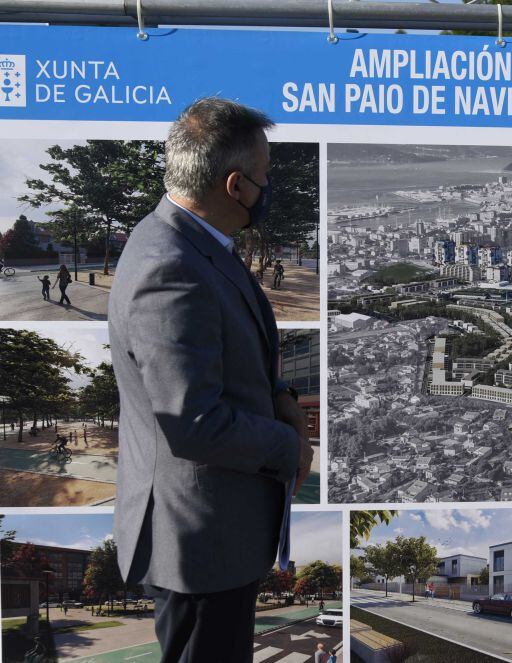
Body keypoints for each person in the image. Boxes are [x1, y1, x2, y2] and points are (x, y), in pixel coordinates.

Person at [108, 97, 313, 663]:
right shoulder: (169, 266)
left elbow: (224, 357)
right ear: (235, 185)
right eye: (264, 176)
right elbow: (193, 422)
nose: (268, 187)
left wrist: (280, 395)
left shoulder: (191, 242)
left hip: (215, 534)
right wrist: (289, 446)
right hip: (198, 546)